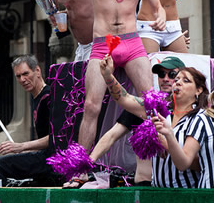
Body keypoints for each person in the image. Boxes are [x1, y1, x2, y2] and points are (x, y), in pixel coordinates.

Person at [57, 0, 166, 151]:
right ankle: (80, 167)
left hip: (132, 43)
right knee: (91, 106)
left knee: (151, 102)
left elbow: (158, 6)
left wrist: (161, 17)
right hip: (102, 45)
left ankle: (157, 159)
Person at [62, 55, 186, 188]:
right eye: (161, 74)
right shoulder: (146, 107)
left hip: (180, 186)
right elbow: (111, 135)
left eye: (172, 74)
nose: (166, 79)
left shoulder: (192, 112)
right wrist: (86, 164)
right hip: (145, 186)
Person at [100, 55, 208, 187]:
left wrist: (166, 142)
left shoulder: (202, 118)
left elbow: (197, 163)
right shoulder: (156, 108)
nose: (176, 82)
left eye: (185, 80)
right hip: (155, 190)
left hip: (186, 192)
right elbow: (124, 99)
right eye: (177, 79)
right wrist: (108, 77)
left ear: (199, 89)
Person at [154, 72, 214, 188]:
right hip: (211, 195)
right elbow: (184, 162)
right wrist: (170, 135)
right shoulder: (203, 120)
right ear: (213, 95)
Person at [0, 55, 60, 186]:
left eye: (26, 73)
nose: (22, 79)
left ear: (37, 71)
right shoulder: (37, 98)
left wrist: (21, 147)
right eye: (18, 76)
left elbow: (56, 137)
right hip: (45, 158)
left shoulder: (49, 96)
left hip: (53, 160)